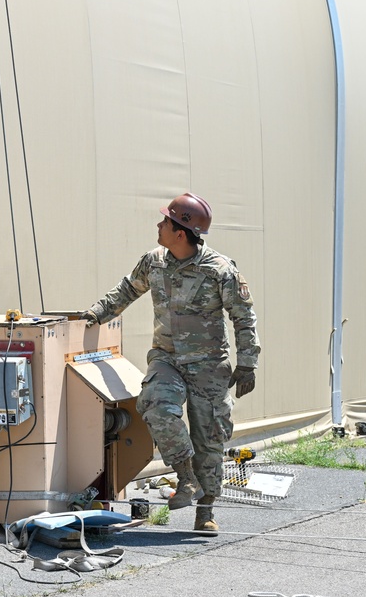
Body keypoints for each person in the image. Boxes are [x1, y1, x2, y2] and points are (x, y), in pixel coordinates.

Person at [81, 193, 259, 535]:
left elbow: (244, 318)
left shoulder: (220, 270)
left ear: (181, 232)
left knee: (210, 437)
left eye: (165, 221)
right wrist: (93, 315)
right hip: (167, 359)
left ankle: (205, 509)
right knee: (155, 405)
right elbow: (125, 292)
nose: (159, 226)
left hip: (209, 365)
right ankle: (186, 476)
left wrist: (248, 363)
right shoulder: (154, 262)